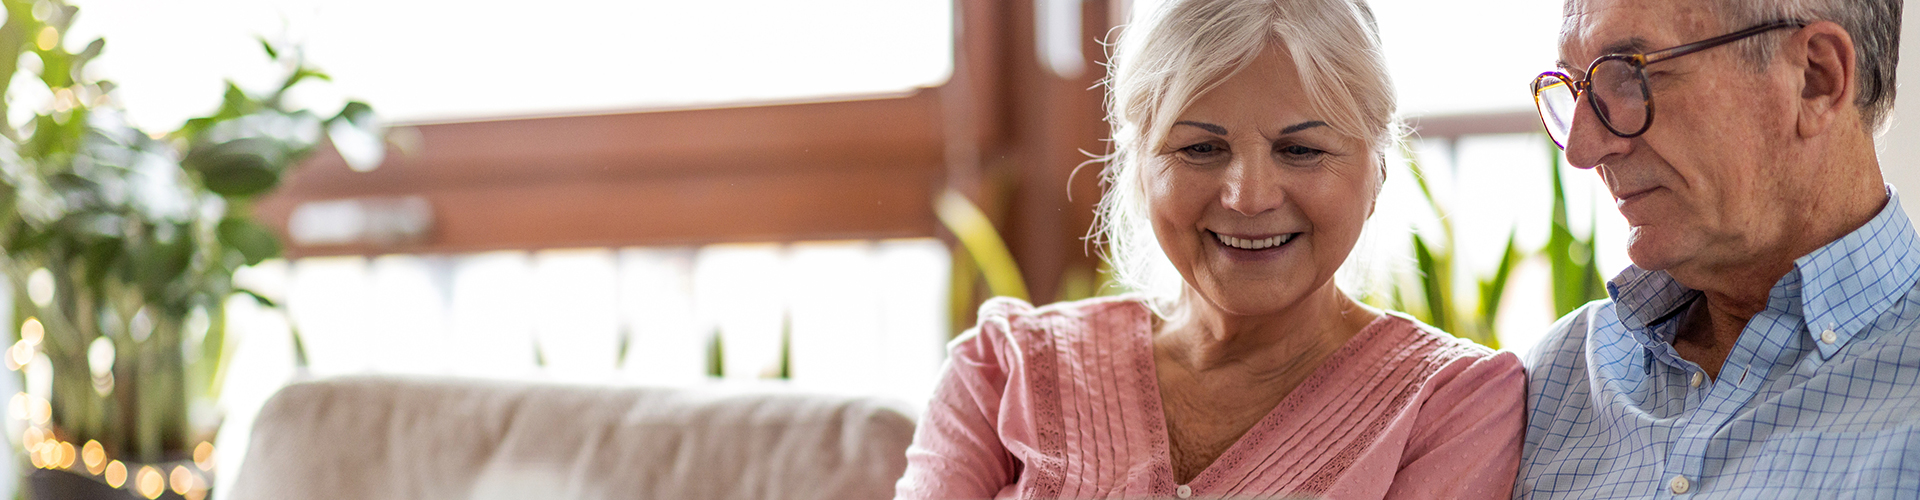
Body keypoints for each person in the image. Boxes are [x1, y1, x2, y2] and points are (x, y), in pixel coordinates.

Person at [894, 0, 1525, 498]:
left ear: (1379, 171)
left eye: (1300, 150)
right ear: (1138, 169)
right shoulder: (1003, 370)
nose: (1248, 197)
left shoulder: (1455, 403)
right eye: (1200, 148)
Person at [1516, 0, 1916, 497]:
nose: (1581, 150)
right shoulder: (1553, 377)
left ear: (1815, 78)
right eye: (1576, 88)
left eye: (1626, 76)